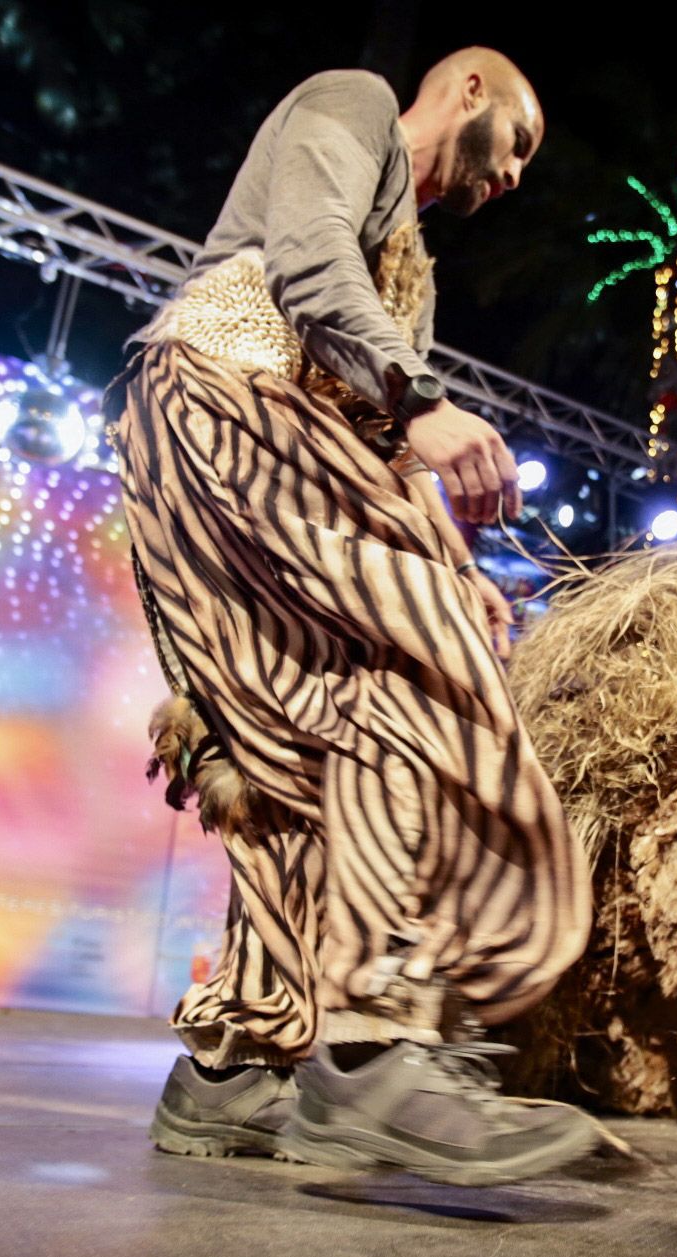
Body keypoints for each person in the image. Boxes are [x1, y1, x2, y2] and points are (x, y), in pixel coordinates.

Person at [104, 47, 595, 1186]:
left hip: (217, 432)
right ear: (468, 91)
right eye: (519, 141)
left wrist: (441, 546)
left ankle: (232, 1070)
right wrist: (419, 402)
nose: (516, 176)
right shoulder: (357, 102)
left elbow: (371, 429)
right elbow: (308, 260)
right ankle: (372, 1050)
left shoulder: (412, 271)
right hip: (230, 396)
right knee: (416, 681)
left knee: (299, 756)